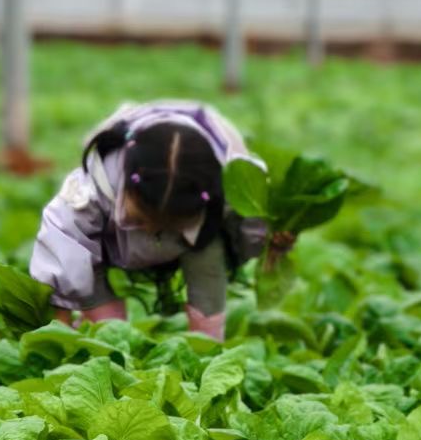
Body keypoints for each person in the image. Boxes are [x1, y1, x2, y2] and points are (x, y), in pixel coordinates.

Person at [30, 100, 270, 341]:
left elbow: (256, 219)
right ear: (128, 184)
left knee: (208, 260)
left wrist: (271, 240)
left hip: (194, 238)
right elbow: (63, 241)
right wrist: (58, 321)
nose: (153, 228)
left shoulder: (230, 178)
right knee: (87, 281)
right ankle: (109, 336)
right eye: (144, 218)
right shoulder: (100, 182)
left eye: (167, 223)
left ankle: (208, 345)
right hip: (112, 238)